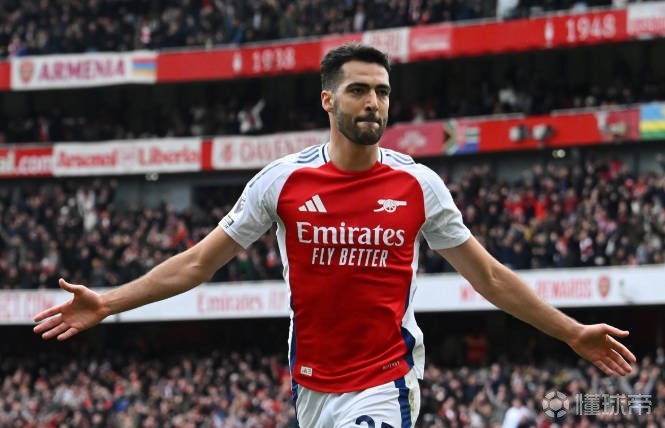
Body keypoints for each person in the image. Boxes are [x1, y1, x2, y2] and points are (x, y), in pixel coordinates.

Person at [34, 43, 636, 427]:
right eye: (359, 90)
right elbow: (197, 264)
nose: (374, 102)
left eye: (382, 91)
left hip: (386, 379)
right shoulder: (281, 182)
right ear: (328, 99)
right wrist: (108, 302)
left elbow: (490, 277)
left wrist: (571, 331)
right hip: (311, 387)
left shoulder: (419, 185)